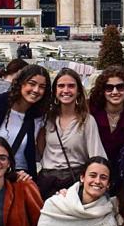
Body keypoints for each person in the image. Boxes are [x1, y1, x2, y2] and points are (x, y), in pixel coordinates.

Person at [36, 68, 106, 197]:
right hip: (47, 182)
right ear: (55, 91)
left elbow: (96, 155)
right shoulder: (47, 119)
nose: (66, 90)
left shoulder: (87, 121)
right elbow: (41, 149)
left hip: (73, 182)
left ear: (78, 91)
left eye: (71, 86)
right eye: (61, 86)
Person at [0, 64, 51, 178]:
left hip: (20, 176)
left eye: (42, 87)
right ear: (21, 82)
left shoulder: (40, 116)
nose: (36, 90)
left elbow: (41, 152)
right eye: (32, 84)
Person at [88, 64, 124, 177]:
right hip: (95, 171)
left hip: (121, 172)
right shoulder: (92, 111)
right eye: (109, 88)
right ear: (103, 90)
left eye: (120, 87)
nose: (115, 92)